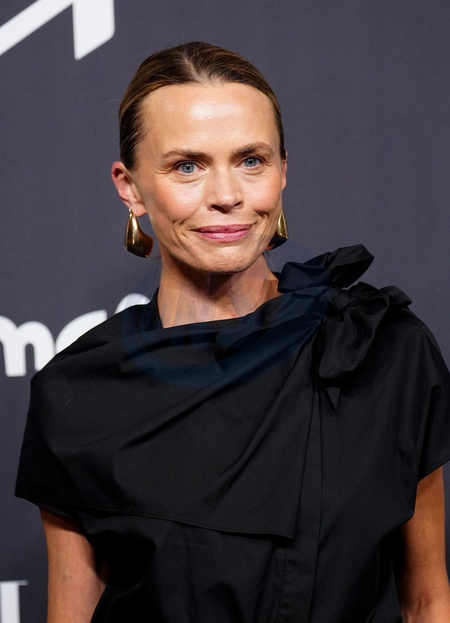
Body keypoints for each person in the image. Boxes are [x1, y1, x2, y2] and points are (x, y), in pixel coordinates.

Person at [16, 41, 450, 622]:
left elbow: (425, 600)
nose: (226, 196)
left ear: (283, 170)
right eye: (186, 166)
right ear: (130, 187)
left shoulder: (381, 351)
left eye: (251, 160)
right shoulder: (79, 393)